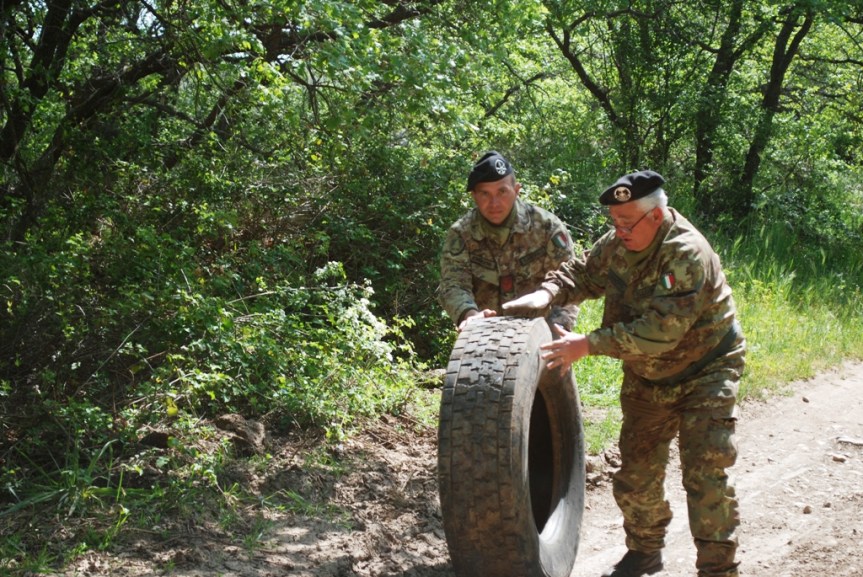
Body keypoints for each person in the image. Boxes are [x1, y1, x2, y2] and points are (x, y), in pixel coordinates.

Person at [503, 170, 745, 577]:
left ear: (657, 215)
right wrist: (548, 292)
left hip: (706, 369)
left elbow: (660, 332)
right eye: (614, 221)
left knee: (705, 474)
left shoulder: (686, 254)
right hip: (648, 372)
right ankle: (644, 551)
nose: (619, 230)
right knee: (636, 473)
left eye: (627, 222)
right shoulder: (619, 241)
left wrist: (587, 344)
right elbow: (583, 272)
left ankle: (718, 569)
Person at [436, 150, 576, 331]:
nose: (494, 203)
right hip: (482, 333)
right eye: (485, 193)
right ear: (474, 196)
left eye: (502, 191)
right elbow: (453, 284)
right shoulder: (462, 234)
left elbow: (568, 280)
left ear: (516, 190)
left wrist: (558, 330)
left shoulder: (547, 228)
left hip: (540, 333)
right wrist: (470, 316)